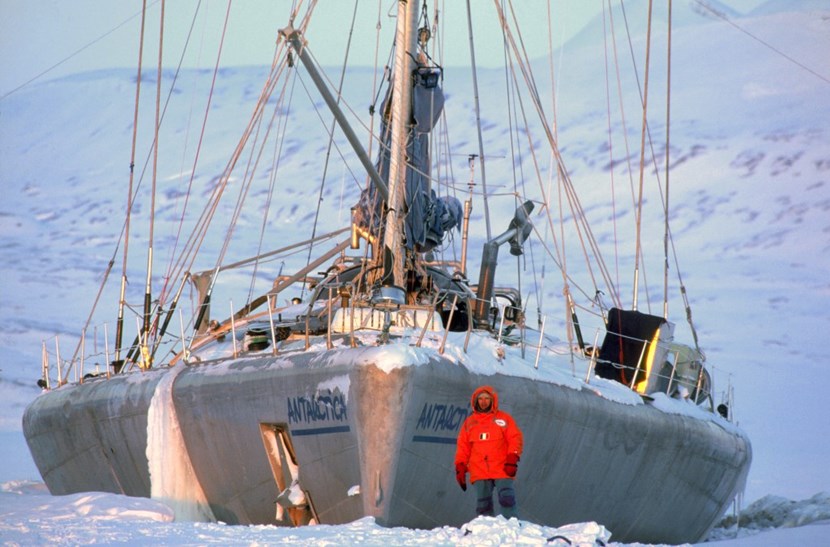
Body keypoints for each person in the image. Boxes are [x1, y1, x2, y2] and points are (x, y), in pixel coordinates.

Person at [454, 385, 523, 518]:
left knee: (507, 499)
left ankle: (512, 526)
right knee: (483, 505)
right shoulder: (469, 424)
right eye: (481, 399)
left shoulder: (503, 419)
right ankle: (486, 532)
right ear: (476, 401)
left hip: (502, 467)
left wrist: (512, 458)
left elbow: (515, 438)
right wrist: (460, 466)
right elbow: (463, 447)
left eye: (487, 398)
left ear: (492, 401)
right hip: (479, 470)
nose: (484, 401)